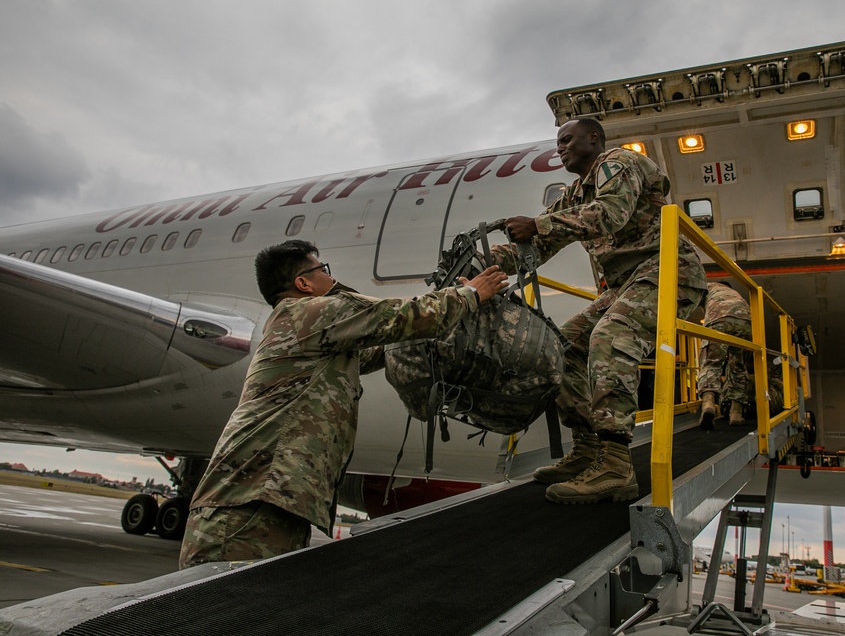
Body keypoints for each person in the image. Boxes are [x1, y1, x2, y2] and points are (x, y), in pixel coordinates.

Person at [178, 240, 508, 568]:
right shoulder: (307, 313)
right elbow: (400, 316)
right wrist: (471, 294)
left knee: (254, 613)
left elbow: (383, 348)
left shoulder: (313, 332)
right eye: (323, 270)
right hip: (248, 505)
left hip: (270, 501)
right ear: (303, 283)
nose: (331, 278)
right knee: (224, 615)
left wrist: (449, 328)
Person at [491, 117, 707, 504]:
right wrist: (484, 264)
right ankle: (588, 448)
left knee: (611, 335)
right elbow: (538, 246)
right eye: (557, 142)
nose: (560, 147)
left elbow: (610, 214)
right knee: (560, 346)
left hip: (667, 273)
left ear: (594, 138)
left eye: (566, 139)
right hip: (629, 284)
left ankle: (615, 464)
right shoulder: (576, 193)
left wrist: (537, 224)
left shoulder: (617, 163)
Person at [697, 281, 752, 430]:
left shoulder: (706, 285)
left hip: (718, 317)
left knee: (711, 362)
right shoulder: (736, 294)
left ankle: (708, 404)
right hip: (745, 320)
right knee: (738, 365)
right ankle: (736, 413)